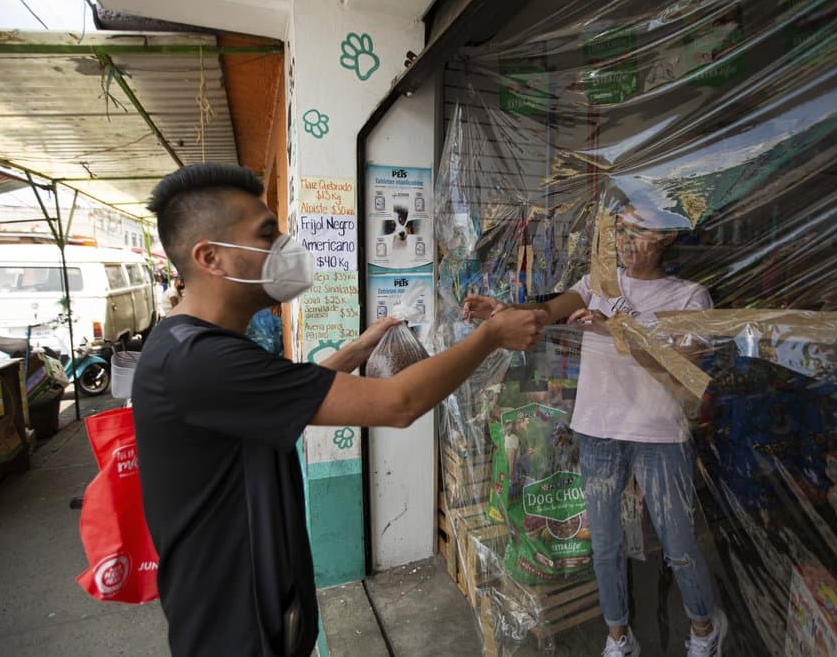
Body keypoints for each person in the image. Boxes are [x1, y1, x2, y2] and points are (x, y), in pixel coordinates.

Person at [132, 163, 546, 657]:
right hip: (235, 629)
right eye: (267, 234)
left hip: (246, 615)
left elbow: (287, 392)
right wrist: (491, 336)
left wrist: (359, 348)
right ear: (211, 258)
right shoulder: (199, 361)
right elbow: (399, 403)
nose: (284, 246)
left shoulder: (191, 344)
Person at [464, 184, 727, 657]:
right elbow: (545, 313)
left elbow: (685, 372)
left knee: (678, 543)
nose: (626, 241)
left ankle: (705, 629)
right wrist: (504, 313)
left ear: (666, 237)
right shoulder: (598, 283)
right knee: (603, 545)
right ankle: (619, 636)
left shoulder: (690, 297)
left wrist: (617, 330)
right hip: (598, 432)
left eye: (640, 231)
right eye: (621, 230)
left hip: (658, 436)